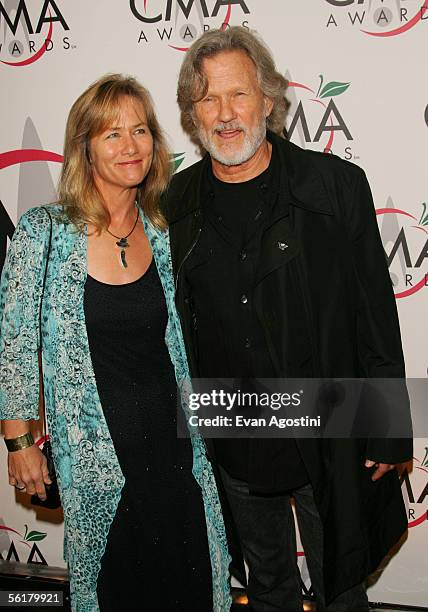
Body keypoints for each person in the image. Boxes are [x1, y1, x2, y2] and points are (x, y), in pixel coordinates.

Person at [164, 27, 413, 611]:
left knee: (342, 589)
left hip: (328, 431)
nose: (225, 114)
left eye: (239, 94)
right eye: (207, 99)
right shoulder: (177, 202)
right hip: (232, 439)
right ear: (191, 115)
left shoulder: (334, 187)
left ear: (269, 101)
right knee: (266, 589)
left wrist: (388, 425)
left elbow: (375, 316)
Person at [0, 74, 231, 612]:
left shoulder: (166, 228)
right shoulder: (44, 231)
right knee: (116, 586)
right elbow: (15, 343)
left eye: (141, 130)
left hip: (178, 446)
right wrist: (18, 441)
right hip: (95, 452)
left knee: (191, 580)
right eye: (111, 134)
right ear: (85, 146)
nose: (130, 146)